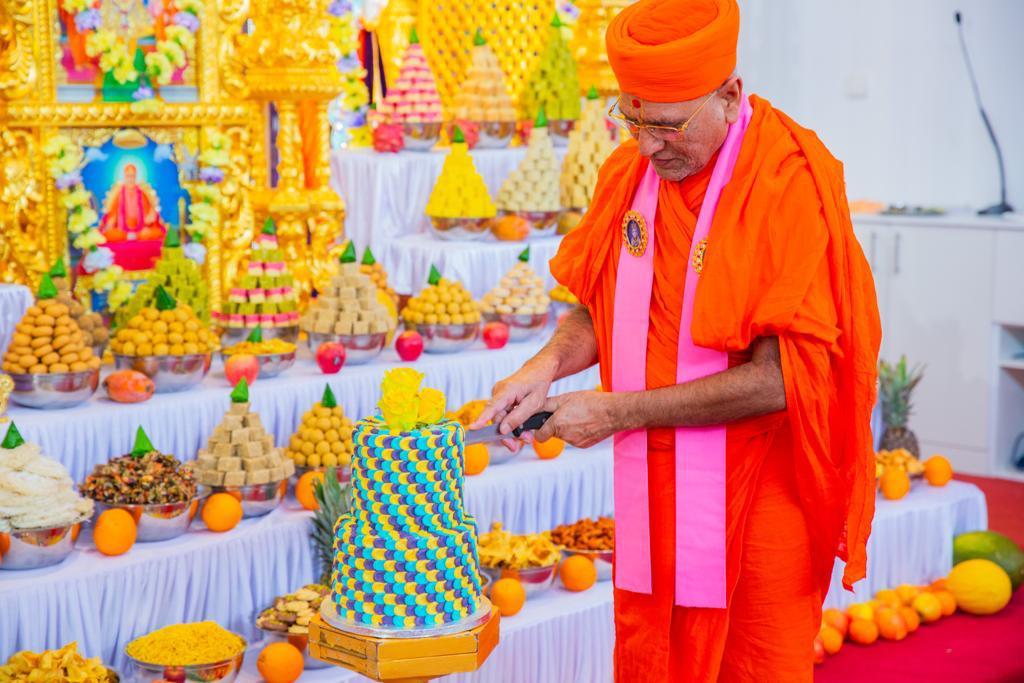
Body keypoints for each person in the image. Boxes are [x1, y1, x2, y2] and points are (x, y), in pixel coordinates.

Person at [471, 0, 882, 680]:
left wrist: (617, 412)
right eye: (631, 119)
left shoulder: (786, 181)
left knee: (752, 662)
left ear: (729, 95)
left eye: (665, 125)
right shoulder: (632, 176)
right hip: (655, 485)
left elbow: (780, 378)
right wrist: (544, 366)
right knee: (653, 655)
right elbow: (598, 307)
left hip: (759, 493)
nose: (646, 146)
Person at [99, 163, 166, 243]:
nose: (130, 179)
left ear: (135, 177)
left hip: (141, 231)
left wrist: (150, 218)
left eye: (132, 176)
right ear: (124, 177)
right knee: (108, 234)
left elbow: (151, 216)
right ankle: (129, 237)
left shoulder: (143, 194)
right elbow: (112, 217)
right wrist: (110, 223)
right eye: (128, 176)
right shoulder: (118, 195)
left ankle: (135, 236)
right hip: (122, 232)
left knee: (156, 232)